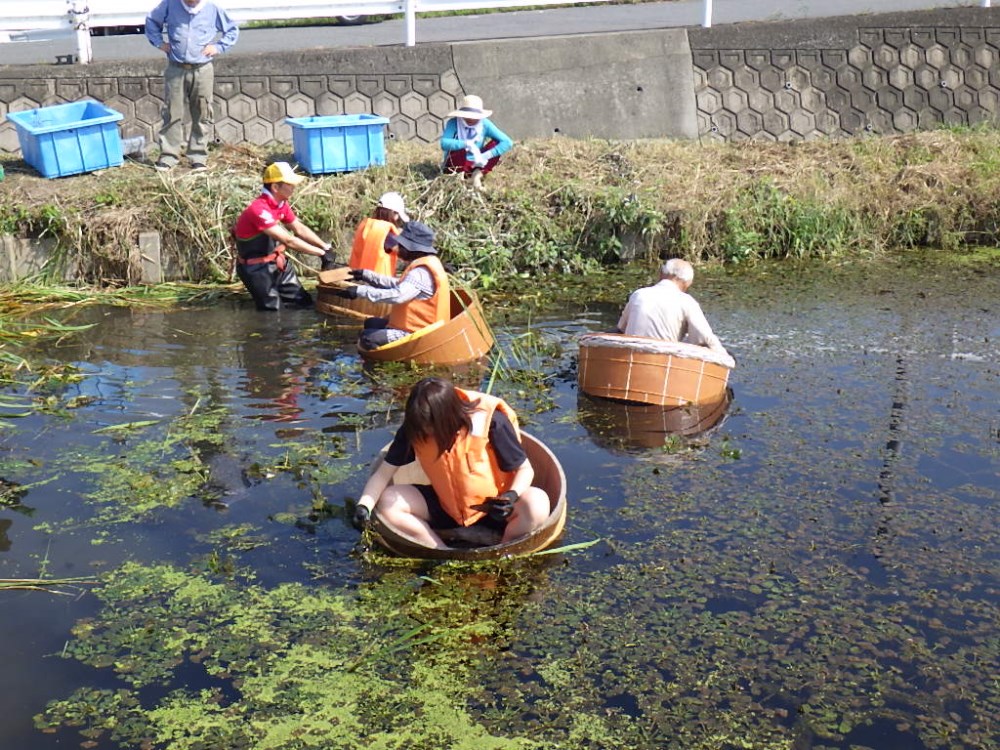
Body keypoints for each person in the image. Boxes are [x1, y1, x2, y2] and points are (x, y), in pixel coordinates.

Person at [352, 377, 550, 549]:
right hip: (447, 507)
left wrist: (510, 497)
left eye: (431, 426)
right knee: (388, 501)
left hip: (495, 508)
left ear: (449, 416)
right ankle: (441, 549)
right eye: (422, 427)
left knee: (537, 503)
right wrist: (364, 506)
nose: (427, 433)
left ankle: (502, 547)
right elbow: (383, 473)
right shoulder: (415, 429)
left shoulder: (492, 423)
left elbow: (525, 470)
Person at [145, 0, 239, 172]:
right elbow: (151, 20)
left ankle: (198, 156)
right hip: (176, 68)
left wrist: (218, 47)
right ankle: (168, 156)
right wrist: (160, 43)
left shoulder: (212, 9)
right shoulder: (169, 4)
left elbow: (232, 30)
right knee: (172, 112)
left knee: (202, 111)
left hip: (202, 68)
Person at [233, 161, 338, 311]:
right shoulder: (259, 210)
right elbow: (288, 240)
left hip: (277, 263)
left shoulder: (281, 203)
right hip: (256, 269)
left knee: (303, 301)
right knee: (273, 312)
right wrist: (320, 253)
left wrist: (324, 246)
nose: (294, 187)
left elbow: (299, 229)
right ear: (276, 187)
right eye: (290, 184)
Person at [334, 221, 450, 350]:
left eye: (401, 245)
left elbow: (397, 296)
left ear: (412, 248)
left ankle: (384, 364)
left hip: (417, 333)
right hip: (413, 326)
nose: (397, 247)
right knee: (371, 323)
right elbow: (399, 284)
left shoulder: (421, 272)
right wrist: (366, 275)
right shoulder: (427, 264)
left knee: (367, 338)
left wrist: (360, 291)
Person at [616, 258, 730, 357]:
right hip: (664, 363)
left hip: (629, 358)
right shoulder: (686, 302)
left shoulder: (638, 295)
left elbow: (621, 330)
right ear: (687, 283)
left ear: (661, 274)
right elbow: (704, 339)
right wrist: (725, 355)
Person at [440, 94, 513, 190]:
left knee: (496, 143)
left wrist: (487, 155)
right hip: (455, 164)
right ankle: (458, 178)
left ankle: (476, 176)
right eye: (468, 116)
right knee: (459, 149)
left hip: (477, 162)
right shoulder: (453, 123)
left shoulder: (485, 124)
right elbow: (444, 143)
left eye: (474, 117)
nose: (471, 119)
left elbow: (507, 142)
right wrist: (465, 143)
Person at [347, 191, 409, 277]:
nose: (397, 218)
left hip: (356, 276)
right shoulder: (388, 234)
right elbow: (406, 255)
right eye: (397, 214)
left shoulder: (366, 225)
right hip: (377, 283)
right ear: (392, 212)